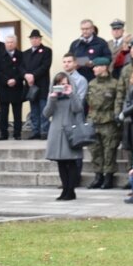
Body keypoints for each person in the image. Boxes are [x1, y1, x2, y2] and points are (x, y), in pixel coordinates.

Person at [44, 72, 84, 201]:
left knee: (71, 161)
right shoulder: (53, 96)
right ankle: (65, 190)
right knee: (60, 162)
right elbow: (46, 113)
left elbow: (78, 108)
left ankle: (71, 191)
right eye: (60, 84)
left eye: (65, 83)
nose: (63, 86)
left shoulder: (73, 94)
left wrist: (71, 93)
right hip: (56, 131)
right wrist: (52, 98)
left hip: (70, 131)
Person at [85, 57, 121, 189]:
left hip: (109, 120)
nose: (94, 69)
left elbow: (118, 101)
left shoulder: (115, 84)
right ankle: (98, 176)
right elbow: (88, 101)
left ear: (105, 67)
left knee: (109, 150)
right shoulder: (92, 83)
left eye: (97, 66)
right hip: (94, 119)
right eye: (94, 67)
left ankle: (108, 177)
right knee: (95, 150)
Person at [23, 29, 52, 139]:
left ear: (40, 39)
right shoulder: (26, 53)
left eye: (36, 38)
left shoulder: (46, 51)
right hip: (31, 86)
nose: (34, 40)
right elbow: (21, 67)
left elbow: (45, 66)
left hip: (42, 85)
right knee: (34, 110)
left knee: (43, 109)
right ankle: (35, 131)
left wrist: (33, 75)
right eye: (32, 38)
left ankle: (44, 131)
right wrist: (26, 75)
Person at [0, 35, 25, 140]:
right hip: (4, 88)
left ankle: (17, 133)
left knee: (17, 113)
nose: (9, 44)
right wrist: (6, 81)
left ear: (16, 43)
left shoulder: (21, 55)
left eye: (12, 42)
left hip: (17, 88)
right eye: (7, 42)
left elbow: (23, 70)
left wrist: (16, 80)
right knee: (3, 113)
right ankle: (3, 134)